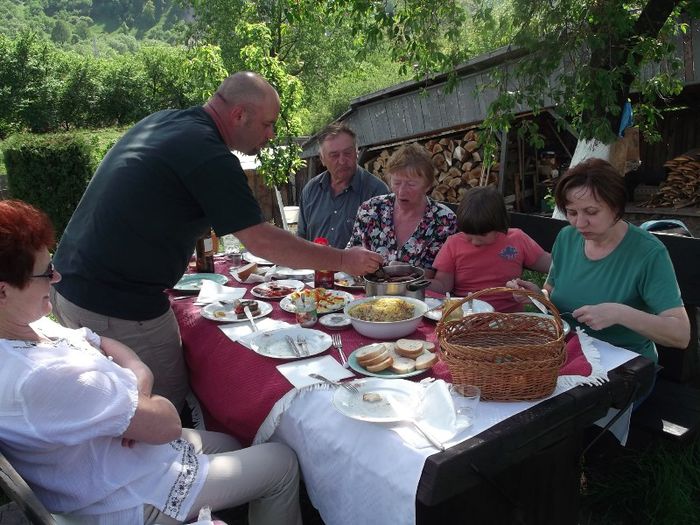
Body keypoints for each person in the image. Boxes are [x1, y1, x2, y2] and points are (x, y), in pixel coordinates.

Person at [51, 72, 383, 412]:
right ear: (239, 115)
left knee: (115, 407)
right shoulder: (209, 154)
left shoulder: (166, 121)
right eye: (268, 124)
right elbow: (261, 240)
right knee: (161, 408)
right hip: (115, 303)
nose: (270, 135)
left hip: (69, 283)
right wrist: (343, 260)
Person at [0, 199, 302, 525]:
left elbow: (100, 340)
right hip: (125, 499)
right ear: (3, 292)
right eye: (45, 272)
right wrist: (139, 388)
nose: (56, 277)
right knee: (282, 463)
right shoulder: (42, 375)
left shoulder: (26, 325)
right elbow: (166, 423)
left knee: (231, 442)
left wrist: (138, 378)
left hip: (117, 457)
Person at [508, 158, 690, 362]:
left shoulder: (648, 253)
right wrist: (537, 296)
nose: (580, 223)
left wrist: (620, 313)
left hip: (624, 366)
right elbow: (551, 293)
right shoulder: (567, 238)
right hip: (567, 352)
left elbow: (680, 334)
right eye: (571, 212)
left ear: (615, 207)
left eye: (591, 212)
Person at [429, 186, 551, 312]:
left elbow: (554, 266)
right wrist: (416, 283)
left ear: (499, 225)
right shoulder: (453, 244)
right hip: (468, 316)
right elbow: (443, 285)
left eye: (483, 235)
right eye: (468, 234)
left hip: (510, 318)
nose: (475, 242)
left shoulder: (516, 239)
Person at [346, 143, 457, 276]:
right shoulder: (370, 210)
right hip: (368, 293)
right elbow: (352, 254)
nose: (402, 191)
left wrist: (410, 272)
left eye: (411, 184)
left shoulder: (445, 220)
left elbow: (445, 276)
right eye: (396, 183)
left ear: (427, 186)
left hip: (420, 295)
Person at [297, 122, 388, 248]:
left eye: (347, 153)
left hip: (360, 268)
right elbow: (301, 238)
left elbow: (385, 246)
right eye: (334, 155)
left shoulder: (377, 192)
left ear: (357, 152)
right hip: (316, 267)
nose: (342, 161)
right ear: (322, 159)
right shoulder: (311, 190)